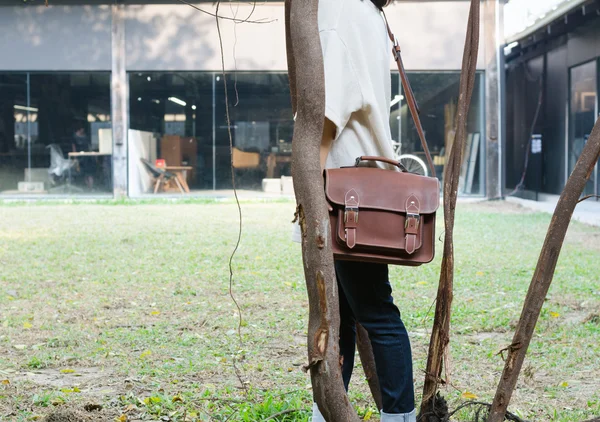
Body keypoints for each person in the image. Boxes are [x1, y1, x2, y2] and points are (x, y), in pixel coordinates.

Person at [310, 0, 416, 420]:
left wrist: (310, 176)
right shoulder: (371, 15)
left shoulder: (343, 8)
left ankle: (399, 416)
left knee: (373, 311)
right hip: (358, 186)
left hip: (344, 189)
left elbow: (332, 103)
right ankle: (332, 413)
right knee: (347, 315)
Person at [71, 126, 95, 190]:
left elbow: (89, 146)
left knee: (89, 173)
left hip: (88, 157)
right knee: (84, 173)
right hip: (80, 158)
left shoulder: (86, 136)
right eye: (82, 128)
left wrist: (92, 154)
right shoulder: (74, 137)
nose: (83, 130)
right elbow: (74, 148)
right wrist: (75, 158)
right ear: (80, 129)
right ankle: (88, 186)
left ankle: (90, 187)